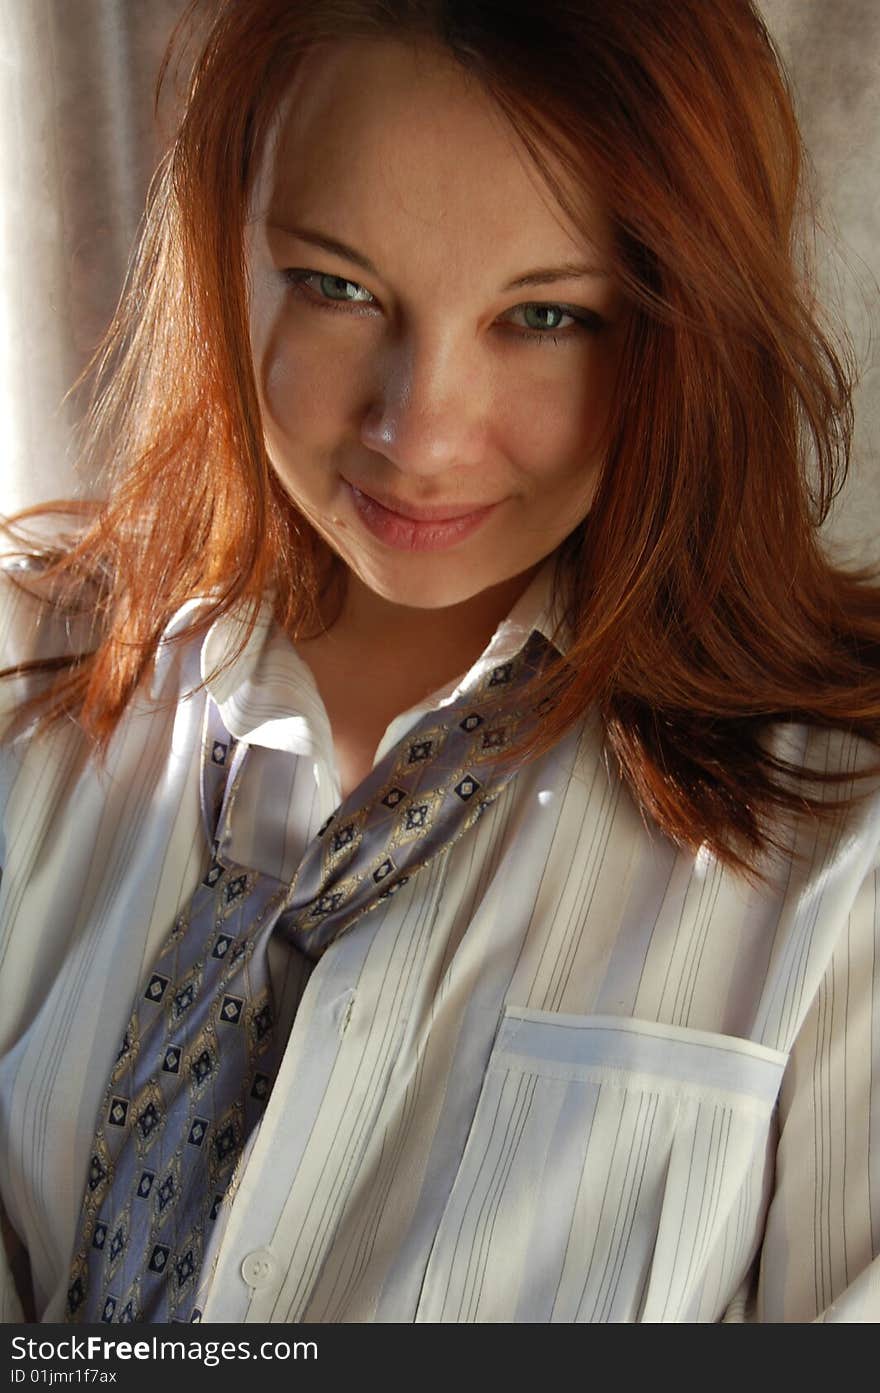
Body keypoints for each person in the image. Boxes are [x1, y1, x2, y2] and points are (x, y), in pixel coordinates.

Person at [1, 0, 879, 1325]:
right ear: (221, 245)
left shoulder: (850, 835)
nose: (419, 432)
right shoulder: (33, 690)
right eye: (337, 287)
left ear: (687, 324)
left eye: (545, 317)